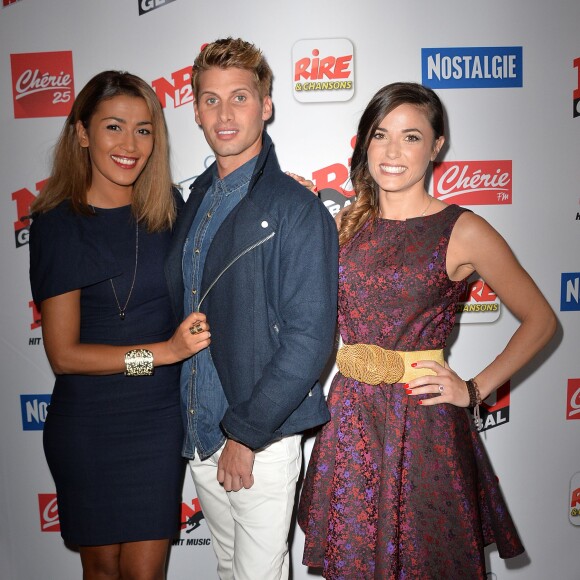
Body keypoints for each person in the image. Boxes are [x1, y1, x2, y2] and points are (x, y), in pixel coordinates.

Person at [297, 82, 557, 579]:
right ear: (364, 143)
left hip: (422, 427)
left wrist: (475, 389)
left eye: (411, 136)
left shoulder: (463, 229)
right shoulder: (343, 226)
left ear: (437, 145)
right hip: (350, 420)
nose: (393, 152)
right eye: (380, 134)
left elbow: (541, 319)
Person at [164, 38, 338, 580]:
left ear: (266, 105)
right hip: (200, 435)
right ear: (194, 110)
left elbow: (310, 340)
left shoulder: (296, 209)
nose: (224, 113)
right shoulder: (191, 200)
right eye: (210, 100)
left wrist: (246, 435)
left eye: (239, 97)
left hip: (256, 439)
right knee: (225, 570)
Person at [29, 70, 211, 580]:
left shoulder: (173, 212)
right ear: (83, 133)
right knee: (102, 572)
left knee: (145, 574)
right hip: (87, 422)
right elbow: (64, 355)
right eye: (114, 127)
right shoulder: (58, 223)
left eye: (144, 129)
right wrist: (164, 353)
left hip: (156, 420)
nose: (130, 144)